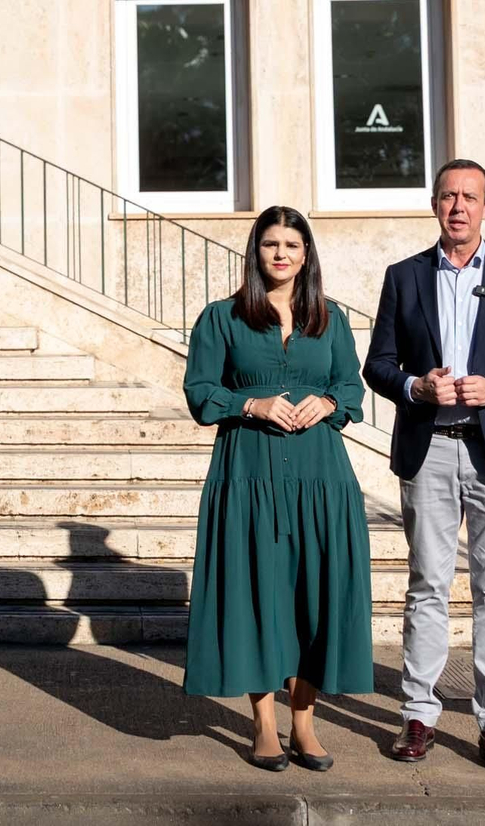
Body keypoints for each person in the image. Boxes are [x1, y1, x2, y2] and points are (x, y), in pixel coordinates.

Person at [363, 159, 485, 771]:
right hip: (429, 448)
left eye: (469, 197)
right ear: (434, 205)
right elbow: (378, 364)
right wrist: (415, 387)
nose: (458, 207)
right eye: (448, 196)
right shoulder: (403, 276)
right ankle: (418, 715)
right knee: (427, 584)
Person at [183, 205, 372, 773]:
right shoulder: (221, 318)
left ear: (306, 254)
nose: (281, 253)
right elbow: (200, 391)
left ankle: (304, 724)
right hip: (248, 474)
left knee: (313, 597)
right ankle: (264, 724)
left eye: (292, 244)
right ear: (256, 251)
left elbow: (350, 386)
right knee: (255, 594)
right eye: (271, 244)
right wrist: (252, 404)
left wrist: (330, 402)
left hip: (321, 477)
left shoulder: (331, 319)